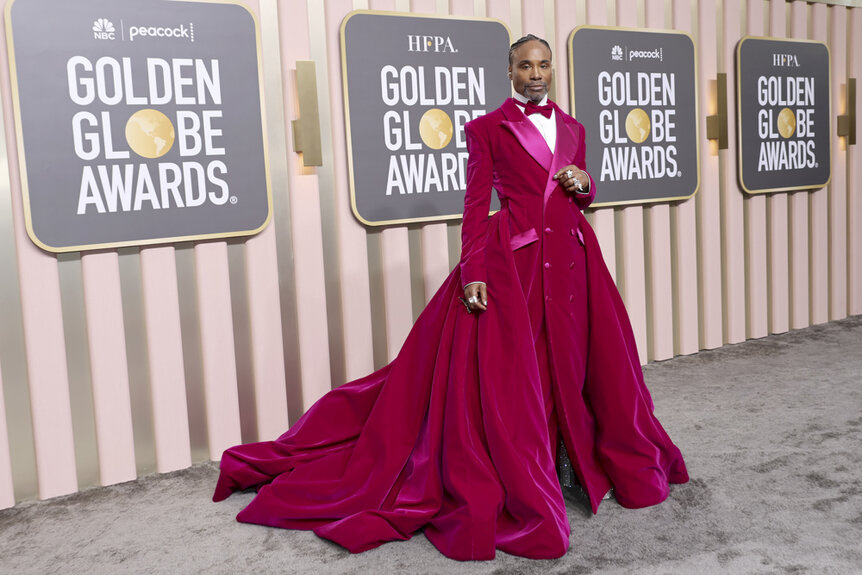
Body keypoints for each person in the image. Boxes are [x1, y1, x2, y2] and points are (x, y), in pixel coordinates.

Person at [213, 34, 688, 561]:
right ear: (509, 71)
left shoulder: (574, 127)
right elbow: (474, 202)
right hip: (518, 263)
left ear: (553, 70)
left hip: (576, 263)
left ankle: (573, 459)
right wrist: (472, 271)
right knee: (515, 374)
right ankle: (531, 470)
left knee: (581, 364)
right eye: (526, 66)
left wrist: (586, 182)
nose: (536, 74)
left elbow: (580, 196)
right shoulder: (486, 129)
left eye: (544, 66)